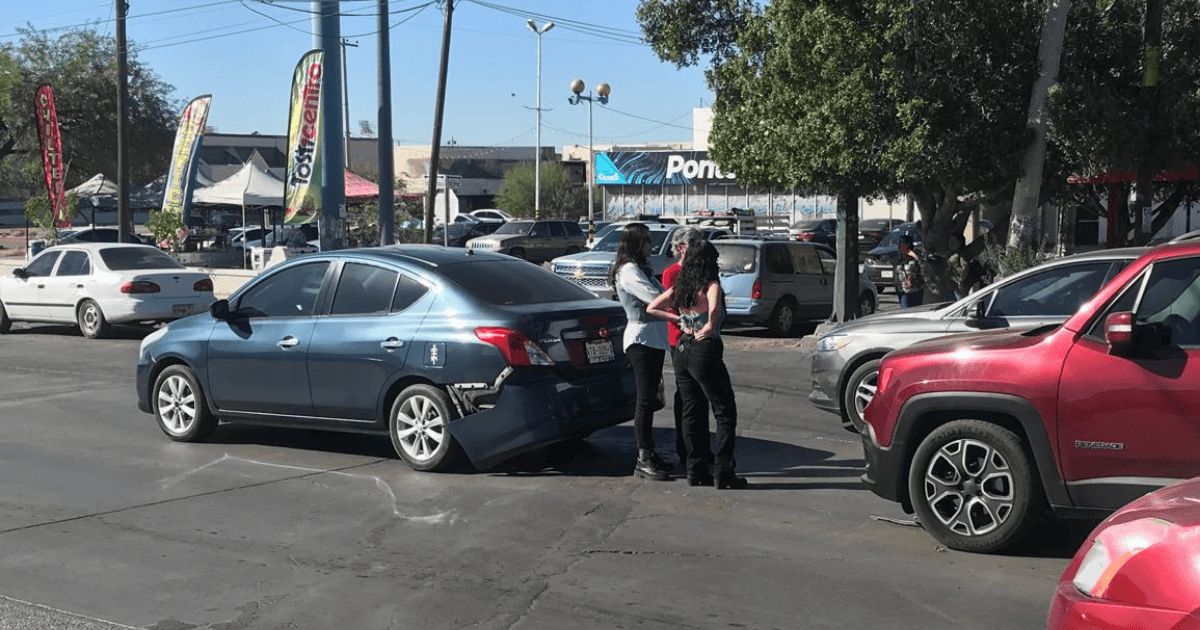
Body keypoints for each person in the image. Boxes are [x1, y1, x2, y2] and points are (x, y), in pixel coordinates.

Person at [647, 240, 747, 489]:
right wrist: (710, 326)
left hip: (682, 348)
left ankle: (695, 469)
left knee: (692, 409)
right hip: (704, 349)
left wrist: (679, 320)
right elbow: (713, 309)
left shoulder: (682, 286)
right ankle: (724, 471)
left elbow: (652, 307)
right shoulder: (711, 285)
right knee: (724, 411)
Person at [609, 223, 672, 481]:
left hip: (654, 340)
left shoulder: (640, 268)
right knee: (645, 400)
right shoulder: (628, 271)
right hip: (641, 340)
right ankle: (643, 458)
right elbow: (653, 297)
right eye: (646, 240)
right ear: (635, 243)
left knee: (652, 398)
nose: (651, 245)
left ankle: (649, 452)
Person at [662, 226, 706, 470]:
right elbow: (671, 309)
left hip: (701, 338)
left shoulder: (703, 272)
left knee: (701, 395)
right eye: (693, 242)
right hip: (680, 338)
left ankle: (699, 445)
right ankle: (686, 448)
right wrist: (690, 327)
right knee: (687, 395)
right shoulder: (673, 273)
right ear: (680, 247)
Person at [897, 234, 924, 308]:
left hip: (916, 289)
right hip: (903, 290)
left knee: (916, 311)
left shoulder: (917, 254)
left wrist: (915, 256)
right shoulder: (899, 257)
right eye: (899, 243)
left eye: (902, 243)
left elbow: (924, 267)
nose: (900, 246)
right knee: (905, 311)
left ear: (908, 244)